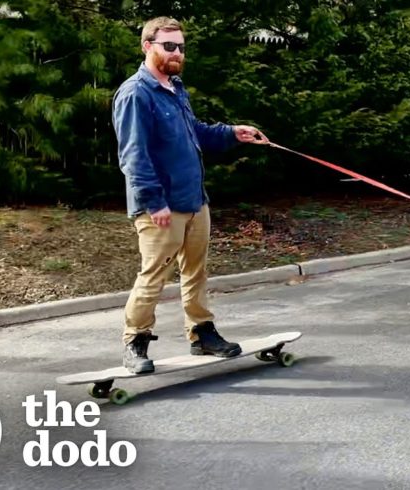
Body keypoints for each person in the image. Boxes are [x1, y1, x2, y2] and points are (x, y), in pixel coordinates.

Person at [111, 16, 269, 374]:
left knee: (195, 272)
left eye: (181, 46)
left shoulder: (175, 87)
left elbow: (193, 132)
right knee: (153, 275)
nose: (177, 52)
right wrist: (155, 202)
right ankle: (134, 342)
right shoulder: (135, 93)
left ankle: (202, 334)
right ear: (147, 46)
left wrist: (232, 133)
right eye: (169, 46)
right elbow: (134, 156)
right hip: (161, 207)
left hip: (195, 201)